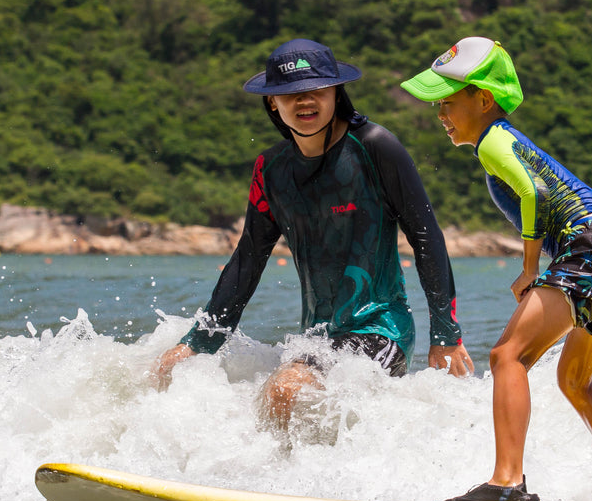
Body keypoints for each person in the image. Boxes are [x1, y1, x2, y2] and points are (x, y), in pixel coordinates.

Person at [400, 37, 592, 501]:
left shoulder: (493, 141)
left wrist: (529, 269)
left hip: (591, 244)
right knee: (575, 380)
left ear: (484, 100)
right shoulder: (506, 140)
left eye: (448, 101)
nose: (440, 113)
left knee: (507, 356)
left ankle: (507, 482)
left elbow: (535, 193)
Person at [152, 38, 475, 429]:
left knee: (285, 389)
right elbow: (248, 260)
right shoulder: (270, 170)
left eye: (317, 90)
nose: (305, 101)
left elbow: (427, 238)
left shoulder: (374, 147)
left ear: (336, 93)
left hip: (380, 330)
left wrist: (446, 335)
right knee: (167, 370)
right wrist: (197, 343)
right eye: (291, 93)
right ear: (273, 102)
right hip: (317, 340)